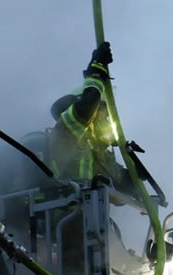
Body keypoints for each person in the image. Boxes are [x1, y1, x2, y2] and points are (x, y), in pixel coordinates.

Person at [48, 41, 131, 190]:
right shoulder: (66, 129)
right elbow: (88, 104)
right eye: (102, 110)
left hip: (89, 209)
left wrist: (133, 179)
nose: (105, 118)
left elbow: (117, 187)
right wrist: (96, 69)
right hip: (68, 208)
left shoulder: (98, 152)